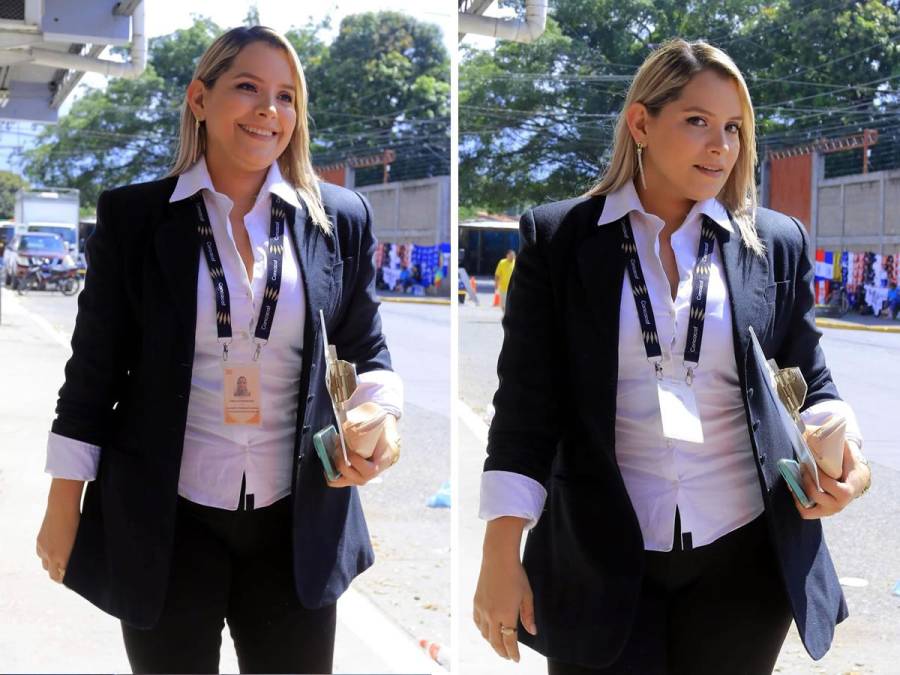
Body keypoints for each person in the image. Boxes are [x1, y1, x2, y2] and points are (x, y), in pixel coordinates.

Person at [473, 38, 871, 674]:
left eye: (734, 128)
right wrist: (500, 553)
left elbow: (811, 380)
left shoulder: (774, 242)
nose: (721, 145)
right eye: (697, 122)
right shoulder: (559, 239)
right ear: (640, 123)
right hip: (599, 559)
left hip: (744, 561)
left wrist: (851, 465)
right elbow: (524, 406)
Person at [34, 26, 403, 674]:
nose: (270, 110)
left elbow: (365, 345)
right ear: (199, 99)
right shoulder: (134, 218)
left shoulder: (337, 218)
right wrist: (63, 504)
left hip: (296, 527)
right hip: (167, 524)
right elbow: (92, 372)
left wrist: (382, 417)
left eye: (286, 96)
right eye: (248, 88)